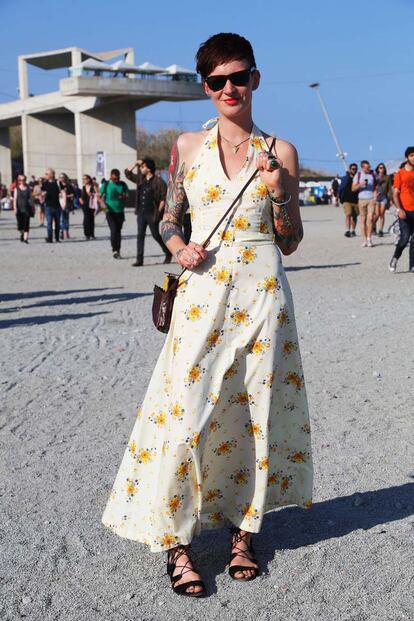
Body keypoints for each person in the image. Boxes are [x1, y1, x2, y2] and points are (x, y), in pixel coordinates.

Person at [102, 33, 312, 598]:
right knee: (184, 412)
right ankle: (177, 542)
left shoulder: (282, 152)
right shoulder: (188, 147)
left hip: (263, 294)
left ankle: (245, 533)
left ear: (255, 79)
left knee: (255, 410)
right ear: (205, 86)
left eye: (238, 77)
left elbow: (289, 241)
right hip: (202, 294)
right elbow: (170, 218)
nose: (229, 89)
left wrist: (278, 192)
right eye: (217, 81)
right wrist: (177, 248)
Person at [125, 158, 171, 266]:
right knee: (140, 235)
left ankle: (168, 252)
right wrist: (136, 163)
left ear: (149, 168)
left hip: (152, 213)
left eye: (143, 167)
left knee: (155, 235)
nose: (141, 169)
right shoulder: (141, 179)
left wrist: (158, 213)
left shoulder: (158, 181)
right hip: (141, 213)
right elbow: (127, 173)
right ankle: (139, 260)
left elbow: (163, 198)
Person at [389, 147, 414, 272]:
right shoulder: (400, 174)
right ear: (407, 158)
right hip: (405, 210)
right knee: (404, 238)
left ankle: (412, 265)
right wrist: (400, 209)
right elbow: (395, 194)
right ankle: (395, 258)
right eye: (412, 155)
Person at [100, 169, 128, 259]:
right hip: (109, 212)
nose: (116, 180)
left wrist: (123, 196)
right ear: (110, 176)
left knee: (118, 232)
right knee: (114, 230)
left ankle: (118, 250)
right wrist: (104, 208)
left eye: (117, 178)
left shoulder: (123, 184)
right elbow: (98, 197)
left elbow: (127, 196)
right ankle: (114, 250)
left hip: (120, 212)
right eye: (114, 179)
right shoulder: (106, 184)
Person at [352, 160, 376, 247]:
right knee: (363, 220)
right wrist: (360, 184)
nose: (368, 169)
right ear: (362, 167)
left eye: (369, 167)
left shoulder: (373, 174)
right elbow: (353, 189)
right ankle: (364, 240)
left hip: (371, 199)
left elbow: (376, 185)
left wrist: (375, 193)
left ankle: (369, 239)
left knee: (370, 219)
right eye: (366, 167)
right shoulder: (358, 175)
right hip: (361, 199)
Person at [41, 168, 61, 243]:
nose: (45, 175)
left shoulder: (57, 183)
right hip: (48, 206)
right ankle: (50, 238)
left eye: (47, 174)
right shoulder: (44, 184)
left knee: (57, 223)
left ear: (52, 175)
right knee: (49, 223)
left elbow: (61, 192)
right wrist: (42, 195)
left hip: (57, 206)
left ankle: (57, 238)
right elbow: (41, 193)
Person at [339, 163, 359, 237]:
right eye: (353, 169)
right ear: (350, 170)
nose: (354, 170)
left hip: (356, 200)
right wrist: (340, 198)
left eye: (356, 169)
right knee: (348, 214)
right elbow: (341, 188)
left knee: (354, 216)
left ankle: (353, 230)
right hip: (346, 200)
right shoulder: (345, 178)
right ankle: (347, 230)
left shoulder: (358, 178)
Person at [373, 163, 392, 237]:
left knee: (382, 214)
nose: (382, 169)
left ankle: (381, 230)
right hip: (376, 197)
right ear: (378, 169)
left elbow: (390, 188)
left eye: (383, 168)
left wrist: (390, 198)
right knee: (377, 214)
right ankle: (373, 226)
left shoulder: (387, 177)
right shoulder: (375, 177)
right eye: (380, 168)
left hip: (384, 197)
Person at [13, 173, 33, 243]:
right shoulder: (16, 189)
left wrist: (32, 207)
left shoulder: (28, 189)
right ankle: (22, 233)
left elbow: (31, 198)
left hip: (27, 208)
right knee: (20, 225)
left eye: (23, 180)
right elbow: (15, 199)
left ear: (25, 180)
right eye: (20, 180)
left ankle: (25, 238)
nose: (22, 181)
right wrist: (15, 208)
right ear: (18, 181)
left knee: (26, 224)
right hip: (19, 208)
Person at [80, 174, 98, 240]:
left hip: (92, 204)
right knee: (86, 219)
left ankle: (92, 234)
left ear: (88, 179)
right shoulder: (83, 187)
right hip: (84, 205)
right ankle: (87, 234)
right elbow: (81, 195)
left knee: (91, 219)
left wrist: (93, 194)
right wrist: (80, 199)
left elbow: (98, 194)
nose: (84, 180)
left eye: (85, 179)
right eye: (83, 179)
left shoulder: (93, 187)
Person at [58, 173, 74, 240]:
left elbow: (72, 195)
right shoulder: (58, 185)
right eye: (60, 177)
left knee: (66, 218)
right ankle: (61, 231)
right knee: (61, 218)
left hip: (67, 204)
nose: (62, 178)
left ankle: (66, 231)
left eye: (63, 177)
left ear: (65, 178)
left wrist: (66, 196)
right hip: (59, 203)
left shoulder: (69, 186)